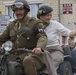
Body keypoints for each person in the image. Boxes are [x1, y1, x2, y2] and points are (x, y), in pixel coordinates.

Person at [0, 0, 48, 75]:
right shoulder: (12, 25)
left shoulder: (35, 23)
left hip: (33, 55)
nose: (18, 12)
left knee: (27, 60)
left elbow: (42, 37)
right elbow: (2, 38)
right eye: (16, 10)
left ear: (26, 10)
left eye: (20, 10)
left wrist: (39, 47)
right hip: (15, 55)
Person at [37, 5, 76, 75]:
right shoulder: (35, 25)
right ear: (40, 16)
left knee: (54, 60)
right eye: (47, 15)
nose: (49, 17)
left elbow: (69, 33)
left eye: (50, 15)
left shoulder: (54, 24)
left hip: (54, 50)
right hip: (39, 50)